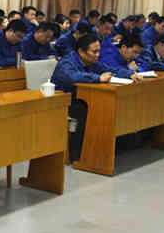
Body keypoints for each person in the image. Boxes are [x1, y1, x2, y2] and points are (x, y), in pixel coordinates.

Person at [51, 34, 140, 162]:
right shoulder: (67, 62)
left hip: (84, 98)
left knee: (107, 106)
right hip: (64, 102)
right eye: (94, 52)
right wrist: (98, 78)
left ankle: (104, 149)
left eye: (99, 51)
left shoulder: (92, 62)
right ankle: (78, 155)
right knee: (87, 110)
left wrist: (129, 74)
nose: (98, 55)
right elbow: (73, 77)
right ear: (81, 51)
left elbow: (110, 70)